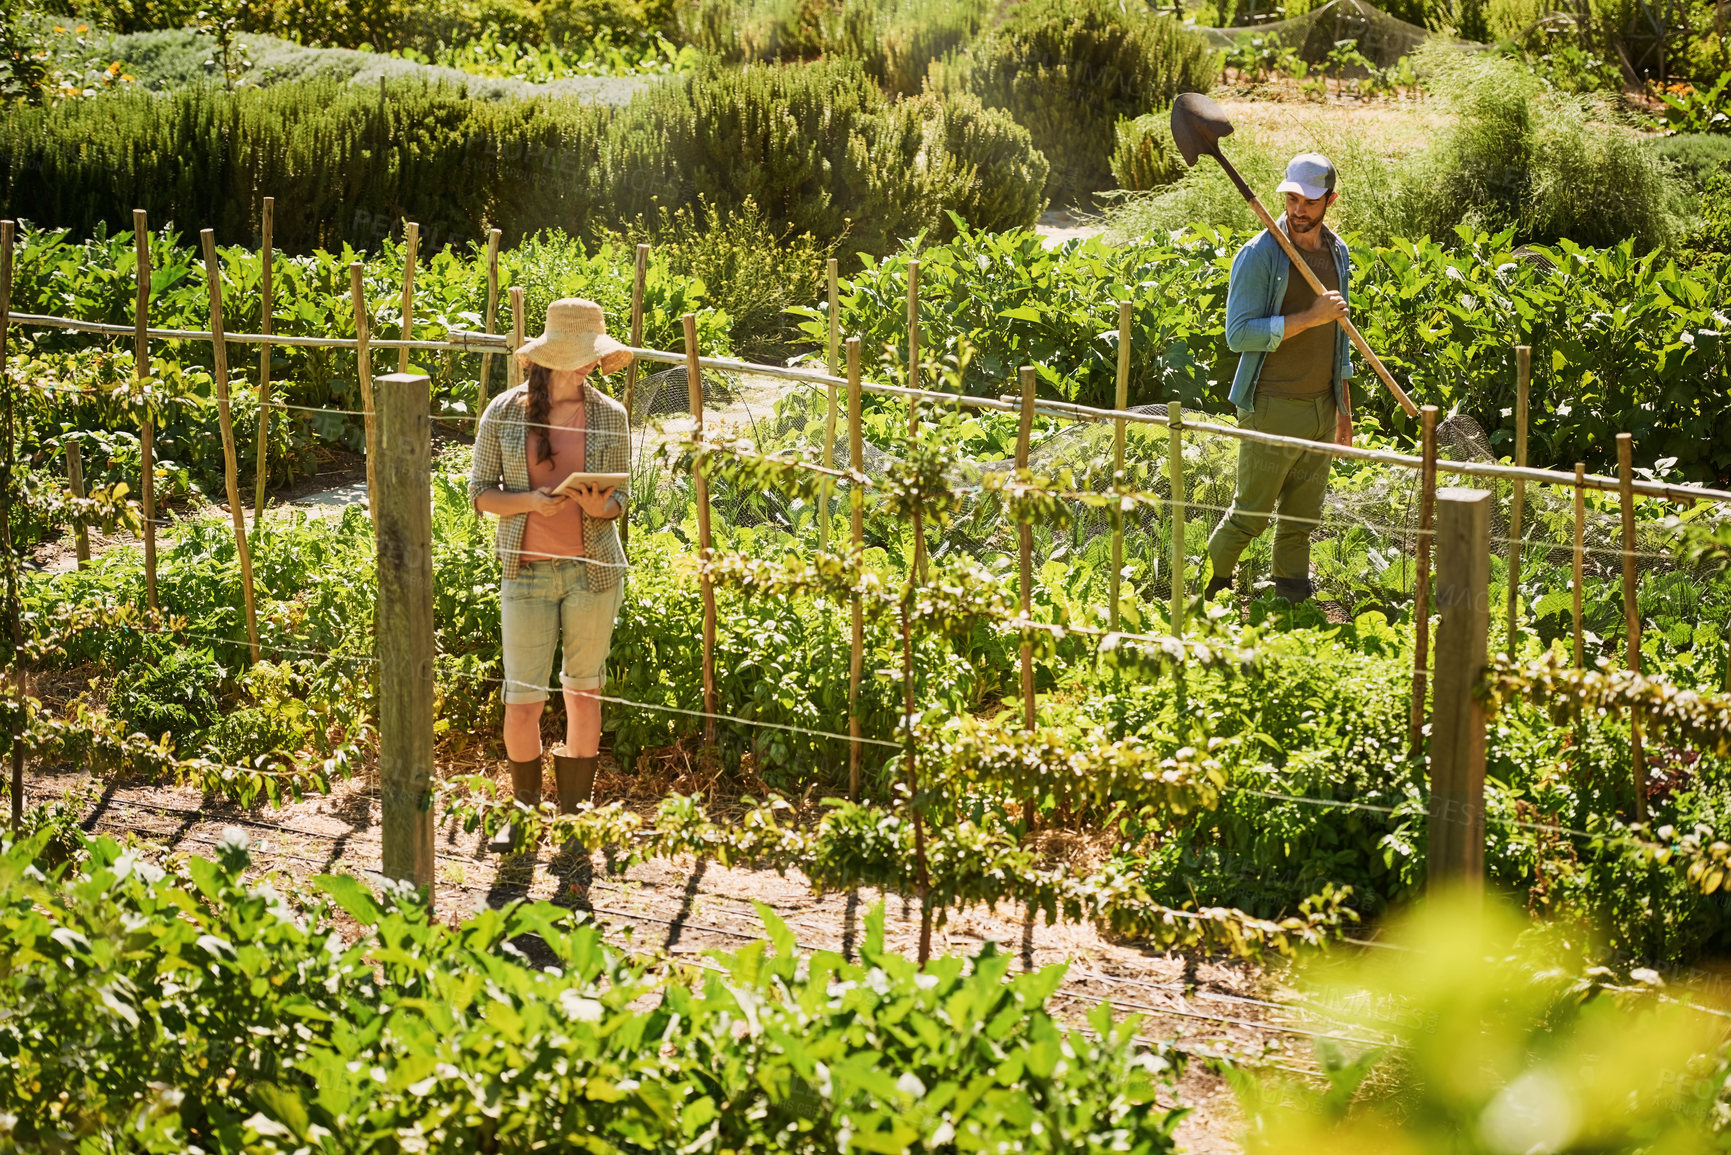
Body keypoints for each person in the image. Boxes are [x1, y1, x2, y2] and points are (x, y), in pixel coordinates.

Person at [469, 298, 633, 853]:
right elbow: (480, 495)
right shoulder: (505, 412)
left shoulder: (611, 414)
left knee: (584, 693)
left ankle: (574, 818)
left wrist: (599, 508)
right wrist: (529, 504)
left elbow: (621, 500)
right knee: (524, 699)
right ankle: (523, 813)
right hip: (527, 573)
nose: (591, 366)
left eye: (595, 357)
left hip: (594, 573)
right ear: (552, 358)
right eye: (583, 357)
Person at [1204, 153, 1354, 605]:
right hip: (1271, 405)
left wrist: (1342, 410)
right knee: (1250, 515)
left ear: (1329, 200)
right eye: (1291, 198)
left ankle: (1292, 601)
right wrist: (1310, 317)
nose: (1298, 210)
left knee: (1301, 519)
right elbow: (1238, 334)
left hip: (1321, 409)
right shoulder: (1260, 255)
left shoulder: (1337, 252)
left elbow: (1340, 341)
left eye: (1308, 201)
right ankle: (1212, 591)